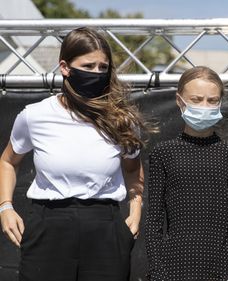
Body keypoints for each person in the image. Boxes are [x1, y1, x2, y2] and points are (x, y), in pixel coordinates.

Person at [0, 27, 149, 281]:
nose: (97, 73)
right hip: (48, 226)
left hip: (106, 228)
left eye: (103, 67)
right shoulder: (34, 115)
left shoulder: (121, 119)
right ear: (65, 67)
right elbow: (7, 162)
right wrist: (5, 207)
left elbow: (133, 170)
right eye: (88, 66)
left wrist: (135, 212)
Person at [145, 66, 228, 281]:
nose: (204, 106)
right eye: (196, 99)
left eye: (212, 100)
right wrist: (157, 271)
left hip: (223, 267)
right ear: (180, 101)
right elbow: (154, 222)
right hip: (174, 267)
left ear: (220, 102)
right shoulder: (163, 153)